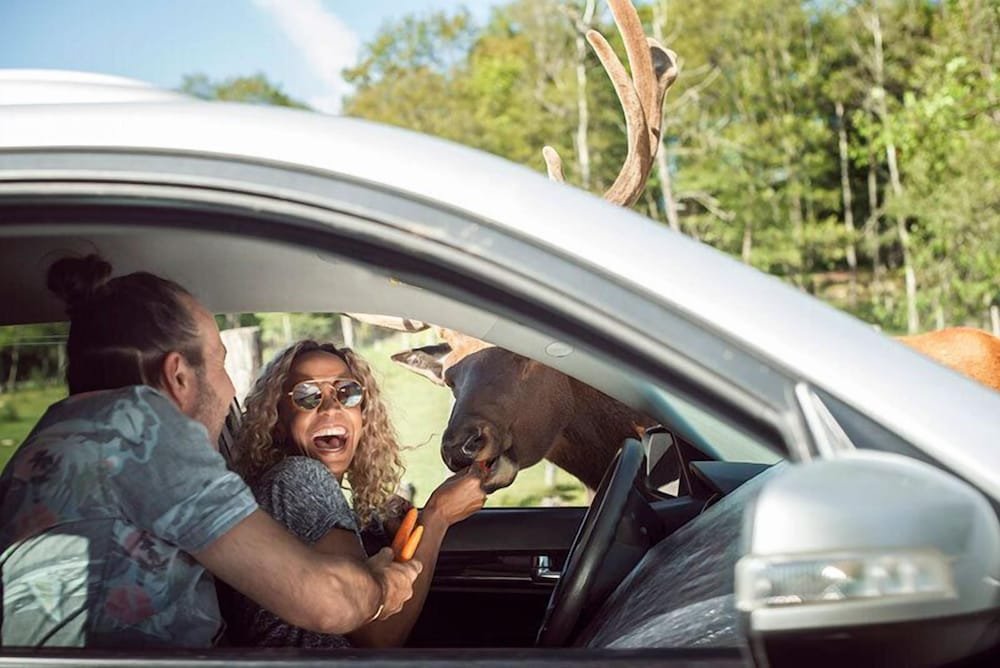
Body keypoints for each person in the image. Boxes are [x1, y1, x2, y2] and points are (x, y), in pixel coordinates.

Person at [0, 255, 420, 648]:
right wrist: (382, 587)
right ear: (178, 375)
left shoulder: (59, 437)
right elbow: (327, 601)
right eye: (220, 363)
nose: (230, 388)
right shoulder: (143, 429)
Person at [227, 340, 487, 648]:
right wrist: (437, 516)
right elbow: (377, 636)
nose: (331, 407)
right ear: (278, 421)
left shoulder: (294, 488)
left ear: (363, 415)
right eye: (308, 395)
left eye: (347, 392)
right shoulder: (298, 479)